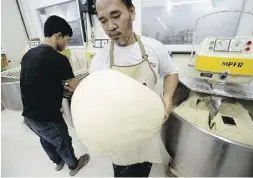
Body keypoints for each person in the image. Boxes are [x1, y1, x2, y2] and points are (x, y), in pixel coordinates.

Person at [90, 0, 179, 177]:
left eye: (116, 16)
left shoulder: (154, 48)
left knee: (143, 166)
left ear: (132, 11)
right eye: (103, 20)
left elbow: (171, 72)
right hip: (120, 131)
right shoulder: (101, 59)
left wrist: (167, 98)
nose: (111, 26)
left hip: (147, 126)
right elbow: (95, 96)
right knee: (123, 169)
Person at [20, 15, 90, 176]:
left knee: (46, 140)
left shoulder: (29, 55)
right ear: (58, 35)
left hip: (29, 116)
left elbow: (36, 80)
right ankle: (74, 165)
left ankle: (58, 163)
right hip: (48, 118)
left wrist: (59, 86)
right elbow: (76, 88)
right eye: (67, 39)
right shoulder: (59, 59)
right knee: (63, 141)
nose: (66, 44)